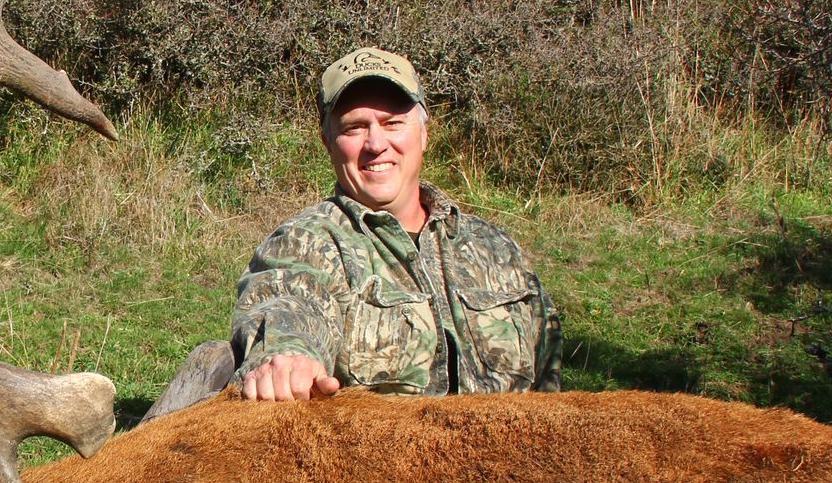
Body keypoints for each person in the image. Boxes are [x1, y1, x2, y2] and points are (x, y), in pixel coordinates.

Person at [145, 47, 560, 419]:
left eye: (392, 122)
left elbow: (551, 388)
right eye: (354, 127)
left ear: (423, 134)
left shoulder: (497, 250)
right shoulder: (306, 243)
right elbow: (290, 304)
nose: (376, 143)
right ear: (328, 141)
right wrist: (289, 358)